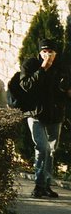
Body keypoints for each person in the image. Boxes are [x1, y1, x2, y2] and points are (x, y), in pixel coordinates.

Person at [18, 38, 71, 199]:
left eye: (51, 52)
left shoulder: (62, 68)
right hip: (35, 114)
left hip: (55, 115)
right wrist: (42, 69)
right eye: (44, 52)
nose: (47, 55)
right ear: (39, 53)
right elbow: (25, 86)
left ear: (56, 54)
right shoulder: (31, 65)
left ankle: (46, 185)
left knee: (52, 151)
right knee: (43, 148)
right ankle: (38, 185)